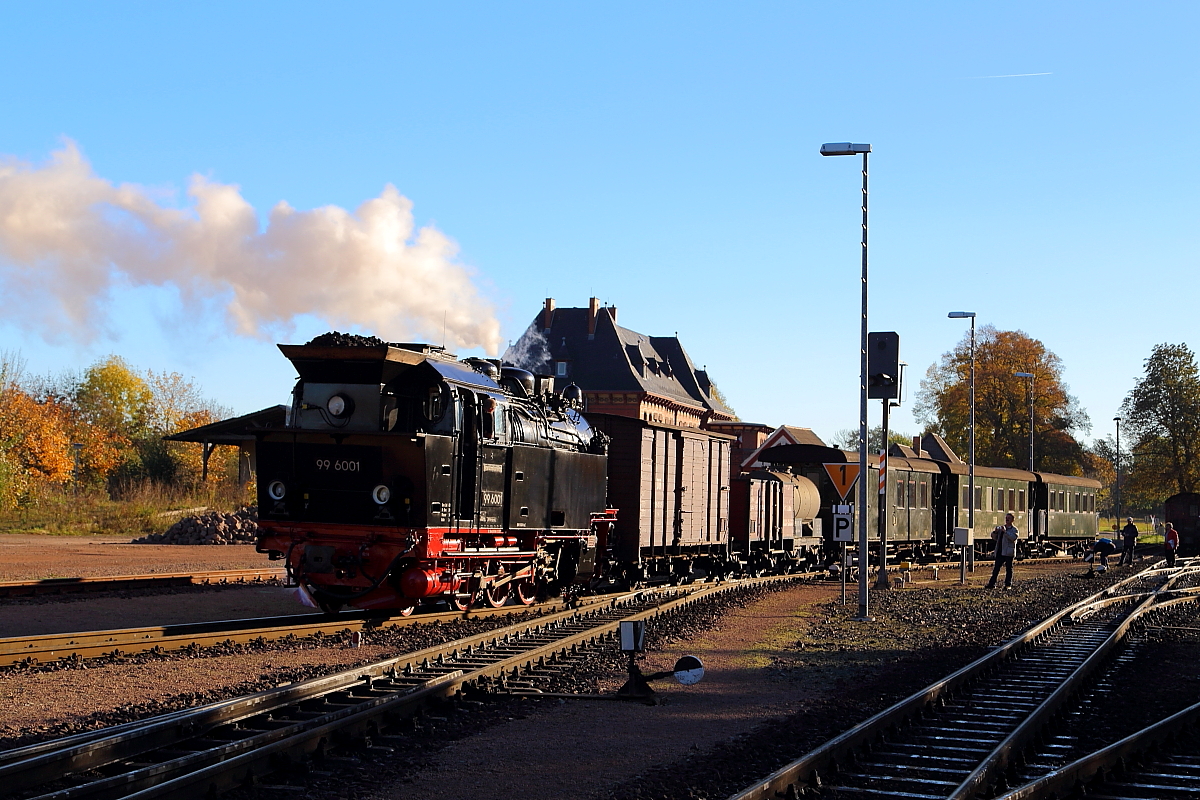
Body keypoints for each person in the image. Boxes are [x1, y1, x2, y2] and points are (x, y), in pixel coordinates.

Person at [985, 513, 1019, 589]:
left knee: (1009, 569)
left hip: (1008, 552)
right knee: (996, 569)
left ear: (1012, 520)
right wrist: (995, 532)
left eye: (1009, 518)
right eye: (1006, 518)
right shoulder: (1002, 528)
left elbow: (1013, 538)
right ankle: (992, 584)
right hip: (1000, 551)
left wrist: (1005, 532)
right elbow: (995, 538)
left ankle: (1008, 585)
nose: (1007, 519)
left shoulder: (1014, 530)